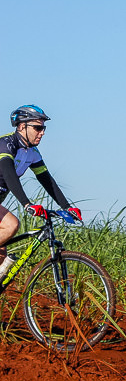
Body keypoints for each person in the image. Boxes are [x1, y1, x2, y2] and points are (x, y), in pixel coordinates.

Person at [0, 105, 81, 277]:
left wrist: (67, 207)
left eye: (43, 128)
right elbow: (8, 175)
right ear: (22, 126)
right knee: (11, 225)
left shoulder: (32, 152)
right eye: (37, 127)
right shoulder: (6, 144)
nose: (42, 132)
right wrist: (27, 204)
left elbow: (46, 180)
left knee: (1, 259)